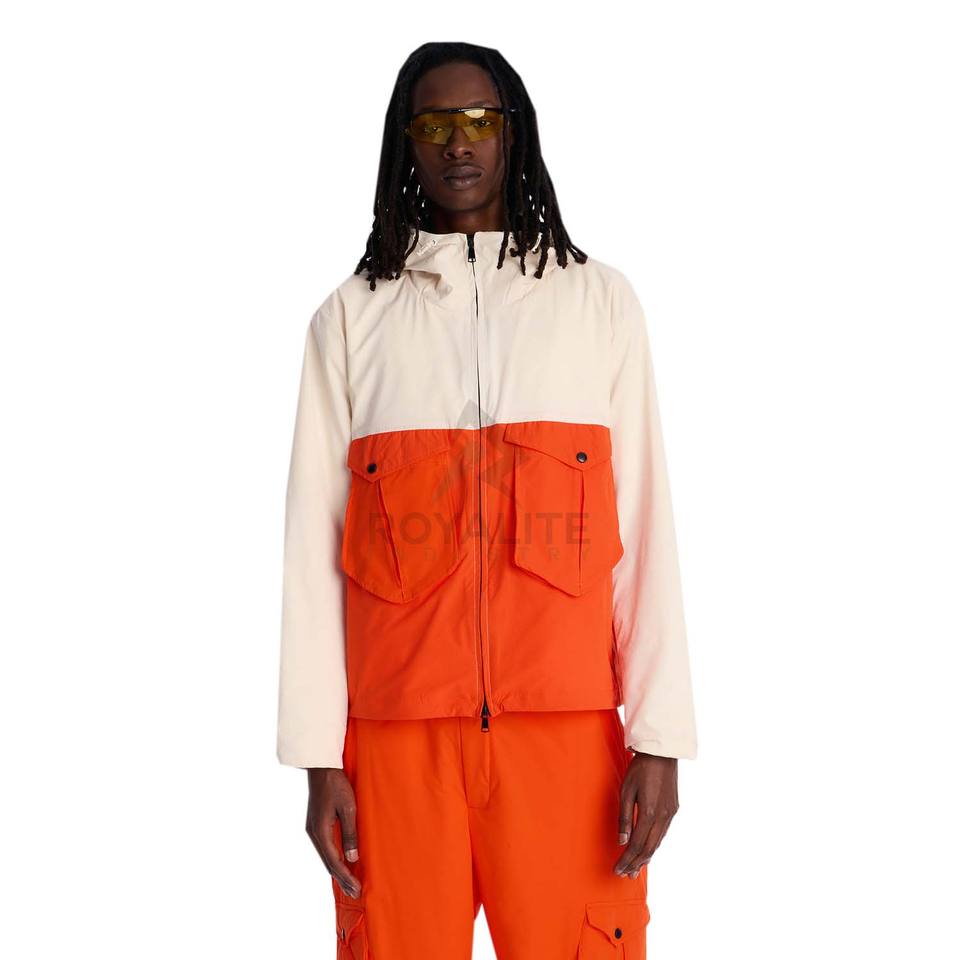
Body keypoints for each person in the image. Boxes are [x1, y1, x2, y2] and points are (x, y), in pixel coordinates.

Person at [277, 41, 697, 959]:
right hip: (396, 743)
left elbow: (645, 524)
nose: (457, 143)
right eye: (434, 124)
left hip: (567, 737)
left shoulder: (596, 304)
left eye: (478, 121)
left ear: (513, 135)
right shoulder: (352, 319)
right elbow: (313, 555)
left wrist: (659, 735)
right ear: (406, 143)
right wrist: (318, 757)